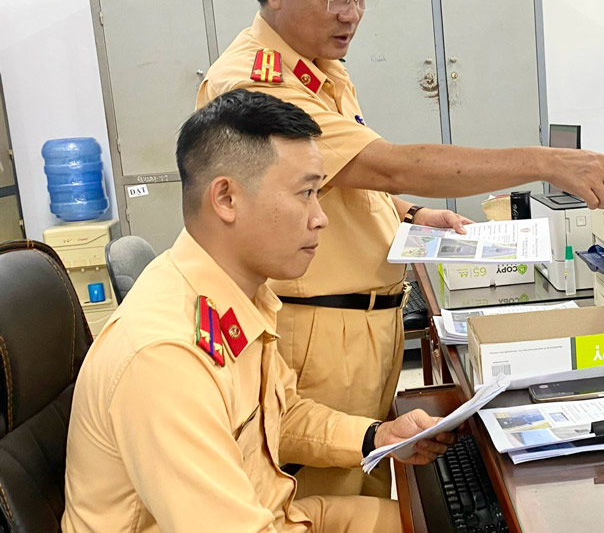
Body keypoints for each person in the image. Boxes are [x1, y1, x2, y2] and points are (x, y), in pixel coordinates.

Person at [196, 0, 604, 499]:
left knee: (367, 482)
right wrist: (545, 162)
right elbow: (383, 162)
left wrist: (409, 214)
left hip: (358, 326)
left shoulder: (320, 68)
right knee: (320, 501)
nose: (351, 13)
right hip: (317, 334)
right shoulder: (258, 82)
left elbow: (341, 179)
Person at [63, 90, 452, 533]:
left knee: (441, 522)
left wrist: (377, 437)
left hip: (278, 515)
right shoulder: (164, 357)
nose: (320, 217)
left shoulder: (236, 294)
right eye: (306, 193)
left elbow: (278, 415)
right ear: (226, 198)